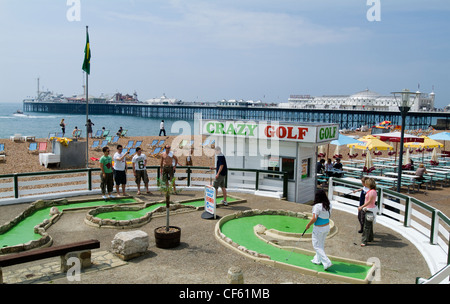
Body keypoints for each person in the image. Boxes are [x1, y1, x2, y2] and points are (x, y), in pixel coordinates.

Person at [305, 190, 333, 271]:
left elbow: (314, 218)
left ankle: (327, 262)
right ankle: (317, 259)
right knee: (320, 245)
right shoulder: (329, 204)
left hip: (318, 228)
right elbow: (329, 216)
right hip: (326, 227)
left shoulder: (317, 206)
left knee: (316, 246)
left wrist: (308, 225)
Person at [358, 178, 378, 247]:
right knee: (369, 225)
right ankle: (370, 238)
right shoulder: (371, 191)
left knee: (366, 226)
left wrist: (361, 207)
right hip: (369, 208)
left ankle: (364, 240)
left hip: (369, 209)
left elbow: (369, 201)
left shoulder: (372, 191)